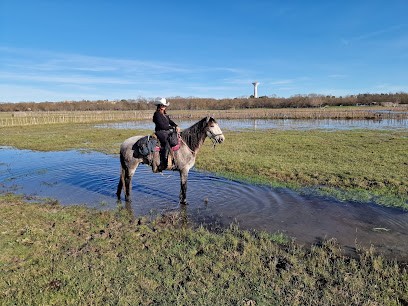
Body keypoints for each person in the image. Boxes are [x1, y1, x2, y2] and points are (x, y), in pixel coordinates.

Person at [153, 98, 180, 170]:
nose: (163, 107)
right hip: (160, 131)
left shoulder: (165, 115)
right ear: (159, 106)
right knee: (167, 141)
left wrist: (176, 125)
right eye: (162, 105)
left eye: (164, 106)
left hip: (166, 131)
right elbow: (162, 126)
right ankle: (164, 162)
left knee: (174, 139)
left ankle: (174, 158)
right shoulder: (156, 114)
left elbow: (170, 121)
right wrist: (172, 127)